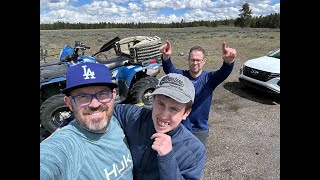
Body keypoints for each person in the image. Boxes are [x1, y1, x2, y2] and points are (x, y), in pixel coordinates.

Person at [60, 72, 206, 180]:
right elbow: (101, 110)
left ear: (186, 113)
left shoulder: (194, 151)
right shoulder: (135, 116)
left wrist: (167, 157)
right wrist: (65, 126)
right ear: (153, 100)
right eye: (160, 104)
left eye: (174, 109)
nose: (163, 115)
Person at [40, 62, 133, 179]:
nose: (95, 104)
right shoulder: (67, 145)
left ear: (113, 95)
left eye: (103, 94)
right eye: (82, 97)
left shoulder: (118, 123)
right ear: (69, 103)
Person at [159, 40, 237, 146]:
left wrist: (228, 63)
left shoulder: (209, 79)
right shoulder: (181, 77)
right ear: (188, 60)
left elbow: (223, 73)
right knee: (177, 154)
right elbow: (169, 69)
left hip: (199, 129)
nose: (195, 63)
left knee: (196, 157)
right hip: (180, 125)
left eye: (198, 60)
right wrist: (166, 57)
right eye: (192, 60)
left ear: (204, 61)